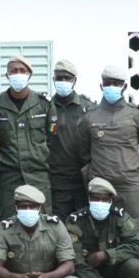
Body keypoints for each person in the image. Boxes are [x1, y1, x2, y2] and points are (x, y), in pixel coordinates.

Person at [76, 64, 139, 278]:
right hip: (99, 190)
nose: (111, 86)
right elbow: (84, 155)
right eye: (107, 82)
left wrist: (137, 183)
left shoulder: (138, 117)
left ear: (123, 86)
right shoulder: (89, 117)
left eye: (116, 82)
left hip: (130, 188)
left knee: (136, 244)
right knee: (100, 245)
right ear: (101, 85)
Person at [0, 55, 57, 220]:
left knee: (43, 224)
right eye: (14, 71)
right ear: (7, 75)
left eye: (22, 70)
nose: (18, 74)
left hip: (38, 176)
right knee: (7, 224)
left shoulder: (44, 103)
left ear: (30, 74)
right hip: (8, 178)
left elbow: (51, 138)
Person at [48, 59, 96, 219]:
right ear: (54, 80)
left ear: (75, 80)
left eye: (67, 78)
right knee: (58, 227)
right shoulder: (45, 107)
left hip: (82, 180)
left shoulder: (87, 107)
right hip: (56, 180)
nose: (63, 82)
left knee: (83, 229)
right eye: (59, 78)